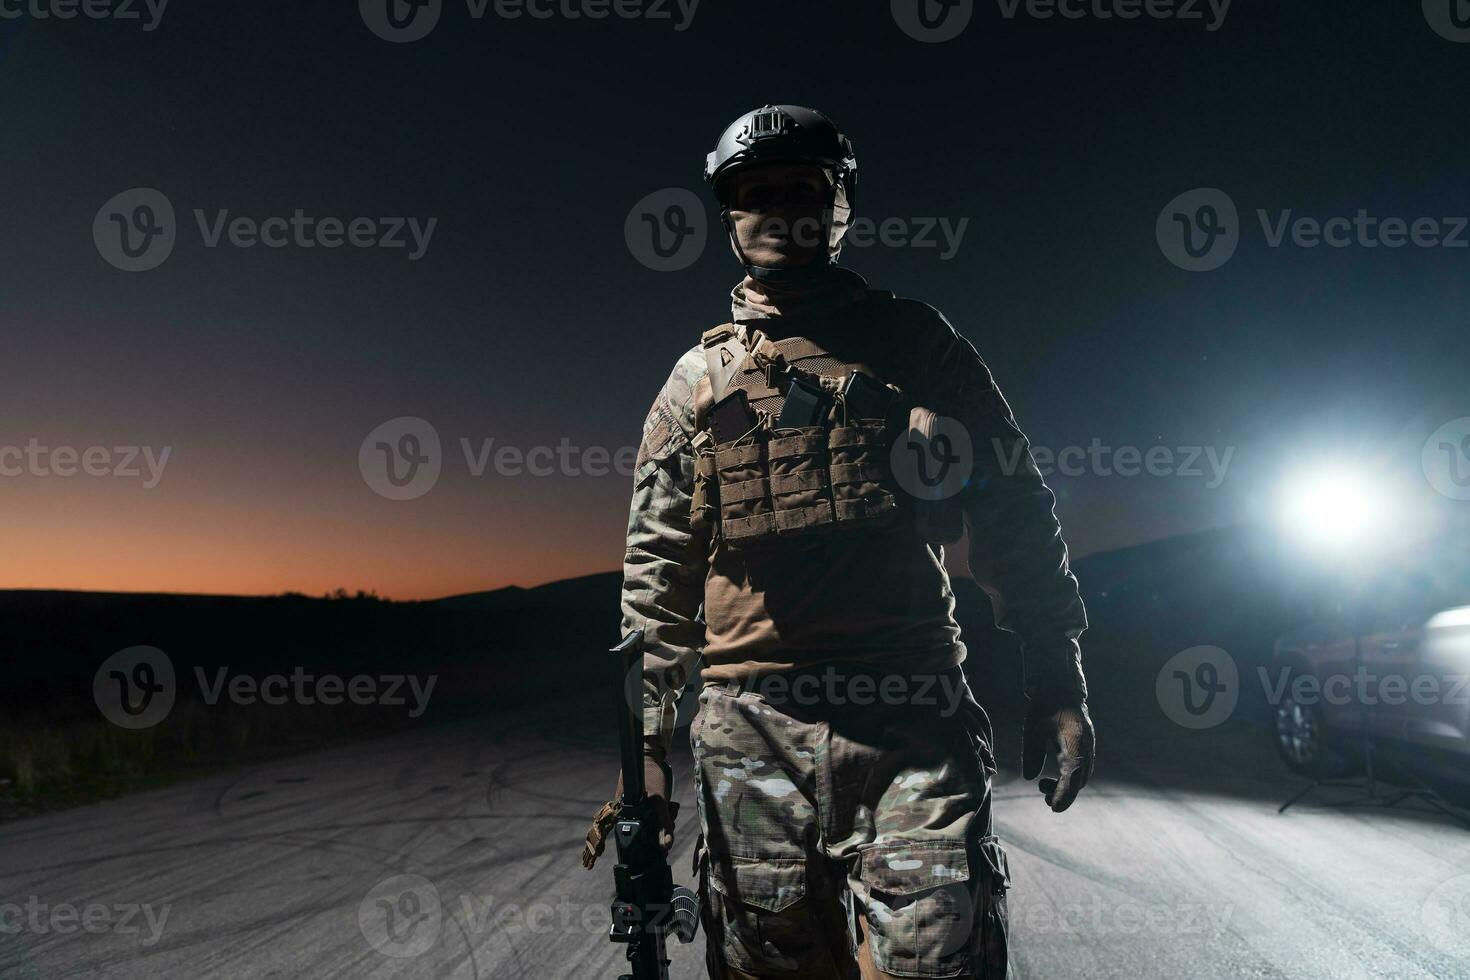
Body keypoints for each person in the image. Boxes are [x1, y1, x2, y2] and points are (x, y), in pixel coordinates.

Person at [590, 104, 1095, 979]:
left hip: (910, 722)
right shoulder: (697, 383)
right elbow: (655, 581)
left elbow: (1013, 506)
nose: (780, 211)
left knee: (939, 964)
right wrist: (645, 765)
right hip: (751, 733)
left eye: (803, 190)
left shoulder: (916, 346)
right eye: (757, 195)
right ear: (731, 221)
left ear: (840, 206)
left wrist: (1057, 678)